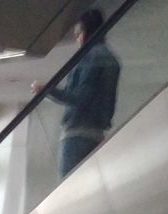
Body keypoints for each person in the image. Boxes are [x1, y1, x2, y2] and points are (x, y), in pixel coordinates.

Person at [33, 8, 120, 178]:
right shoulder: (111, 59)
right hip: (97, 133)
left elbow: (79, 97)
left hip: (77, 132)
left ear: (87, 31)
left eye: (78, 33)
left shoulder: (90, 56)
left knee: (67, 189)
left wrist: (46, 90)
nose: (77, 38)